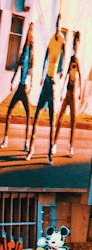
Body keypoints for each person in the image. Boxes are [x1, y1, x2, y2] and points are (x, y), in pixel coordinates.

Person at [26, 17, 66, 161]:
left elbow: (65, 56)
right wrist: (43, 73)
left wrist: (61, 71)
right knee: (36, 116)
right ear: (55, 26)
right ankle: (31, 149)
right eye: (56, 25)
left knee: (52, 121)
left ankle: (49, 153)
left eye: (59, 26)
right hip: (47, 83)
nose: (57, 28)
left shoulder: (62, 40)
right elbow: (45, 57)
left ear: (61, 27)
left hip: (54, 85)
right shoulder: (51, 39)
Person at [0, 22, 34, 152]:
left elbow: (32, 70)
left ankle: (26, 142)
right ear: (27, 36)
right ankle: (5, 140)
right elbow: (17, 68)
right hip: (19, 86)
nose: (30, 36)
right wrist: (12, 81)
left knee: (28, 115)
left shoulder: (31, 54)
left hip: (25, 88)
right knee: (9, 111)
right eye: (29, 34)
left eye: (32, 34)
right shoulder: (23, 52)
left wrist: (30, 85)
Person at [51, 29, 82, 158]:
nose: (75, 46)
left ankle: (71, 147)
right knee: (60, 119)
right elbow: (67, 76)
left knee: (73, 120)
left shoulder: (77, 60)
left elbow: (80, 76)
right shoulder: (70, 59)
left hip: (74, 94)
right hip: (68, 93)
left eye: (77, 44)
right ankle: (54, 144)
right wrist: (62, 91)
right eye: (74, 44)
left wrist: (81, 92)